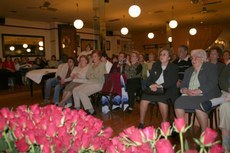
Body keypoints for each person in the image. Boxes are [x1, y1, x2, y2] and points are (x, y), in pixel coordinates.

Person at [174, 49, 221, 131]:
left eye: (196, 57)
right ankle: (181, 131)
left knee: (200, 106)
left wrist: (199, 91)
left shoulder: (210, 67)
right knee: (178, 102)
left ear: (203, 58)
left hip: (207, 94)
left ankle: (204, 133)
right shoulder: (188, 70)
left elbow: (213, 82)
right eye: (192, 58)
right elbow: (183, 85)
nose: (193, 60)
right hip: (190, 94)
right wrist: (185, 90)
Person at [138, 48, 178, 128]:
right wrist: (150, 85)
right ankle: (141, 123)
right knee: (144, 99)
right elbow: (150, 78)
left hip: (168, 89)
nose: (161, 56)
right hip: (155, 88)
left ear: (169, 57)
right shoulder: (156, 65)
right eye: (160, 54)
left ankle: (164, 124)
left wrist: (159, 86)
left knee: (162, 100)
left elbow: (172, 81)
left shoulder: (173, 67)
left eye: (164, 54)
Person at [72, 50, 106, 115]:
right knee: (75, 90)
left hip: (99, 84)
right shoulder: (91, 65)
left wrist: (92, 75)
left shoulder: (102, 64)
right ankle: (77, 109)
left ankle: (91, 111)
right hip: (90, 82)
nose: (94, 58)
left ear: (99, 57)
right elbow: (87, 75)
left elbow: (100, 76)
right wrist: (93, 75)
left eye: (95, 56)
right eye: (93, 56)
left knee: (81, 92)